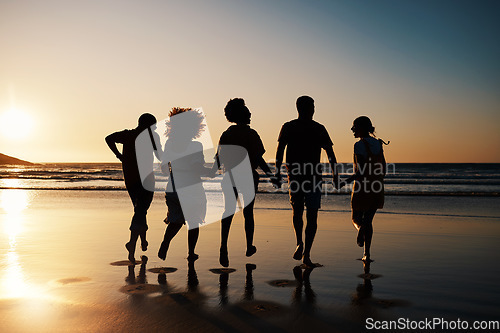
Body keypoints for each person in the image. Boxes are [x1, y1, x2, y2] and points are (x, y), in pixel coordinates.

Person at [274, 96, 339, 267]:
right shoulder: (289, 127)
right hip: (296, 176)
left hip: (313, 177)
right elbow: (280, 150)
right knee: (298, 212)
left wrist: (335, 175)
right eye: (310, 106)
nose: (312, 109)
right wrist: (277, 172)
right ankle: (299, 243)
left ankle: (307, 253)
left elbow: (330, 153)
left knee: (311, 214)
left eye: (312, 106)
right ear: (301, 108)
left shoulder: (319, 128)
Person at [213, 98, 274, 267]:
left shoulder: (227, 134)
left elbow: (219, 158)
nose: (250, 113)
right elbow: (258, 159)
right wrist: (272, 175)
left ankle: (223, 246)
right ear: (242, 114)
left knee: (228, 211)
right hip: (247, 176)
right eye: (247, 111)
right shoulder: (251, 134)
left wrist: (210, 172)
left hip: (230, 176)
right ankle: (249, 246)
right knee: (248, 213)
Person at [105, 113, 160, 264]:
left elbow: (108, 138)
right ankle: (132, 243)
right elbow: (160, 156)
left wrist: (119, 155)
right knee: (141, 209)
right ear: (148, 125)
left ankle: (143, 241)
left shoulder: (128, 135)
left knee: (140, 209)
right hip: (146, 179)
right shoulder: (152, 137)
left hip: (130, 179)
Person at [158, 107, 211, 262]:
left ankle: (165, 242)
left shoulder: (169, 143)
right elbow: (197, 168)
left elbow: (163, 168)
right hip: (191, 190)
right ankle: (191, 253)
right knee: (193, 221)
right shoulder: (196, 146)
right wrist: (211, 172)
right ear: (194, 127)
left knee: (176, 220)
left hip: (172, 188)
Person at [341, 116, 387, 262]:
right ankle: (367, 254)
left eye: (354, 126)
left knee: (356, 218)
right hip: (377, 186)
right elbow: (384, 168)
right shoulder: (378, 144)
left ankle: (360, 229)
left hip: (362, 187)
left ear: (361, 128)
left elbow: (360, 172)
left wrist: (344, 182)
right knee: (369, 220)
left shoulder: (359, 145)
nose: (352, 129)